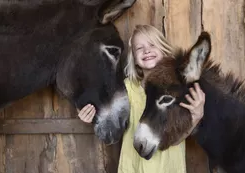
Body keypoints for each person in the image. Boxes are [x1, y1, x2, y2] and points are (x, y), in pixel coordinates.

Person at [77, 24, 205, 173]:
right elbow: (101, 105)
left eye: (152, 45)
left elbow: (178, 136)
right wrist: (87, 112)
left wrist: (197, 115)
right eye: (139, 48)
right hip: (134, 167)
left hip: (168, 168)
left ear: (163, 50)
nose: (147, 50)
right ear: (135, 59)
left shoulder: (176, 90)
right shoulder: (127, 88)